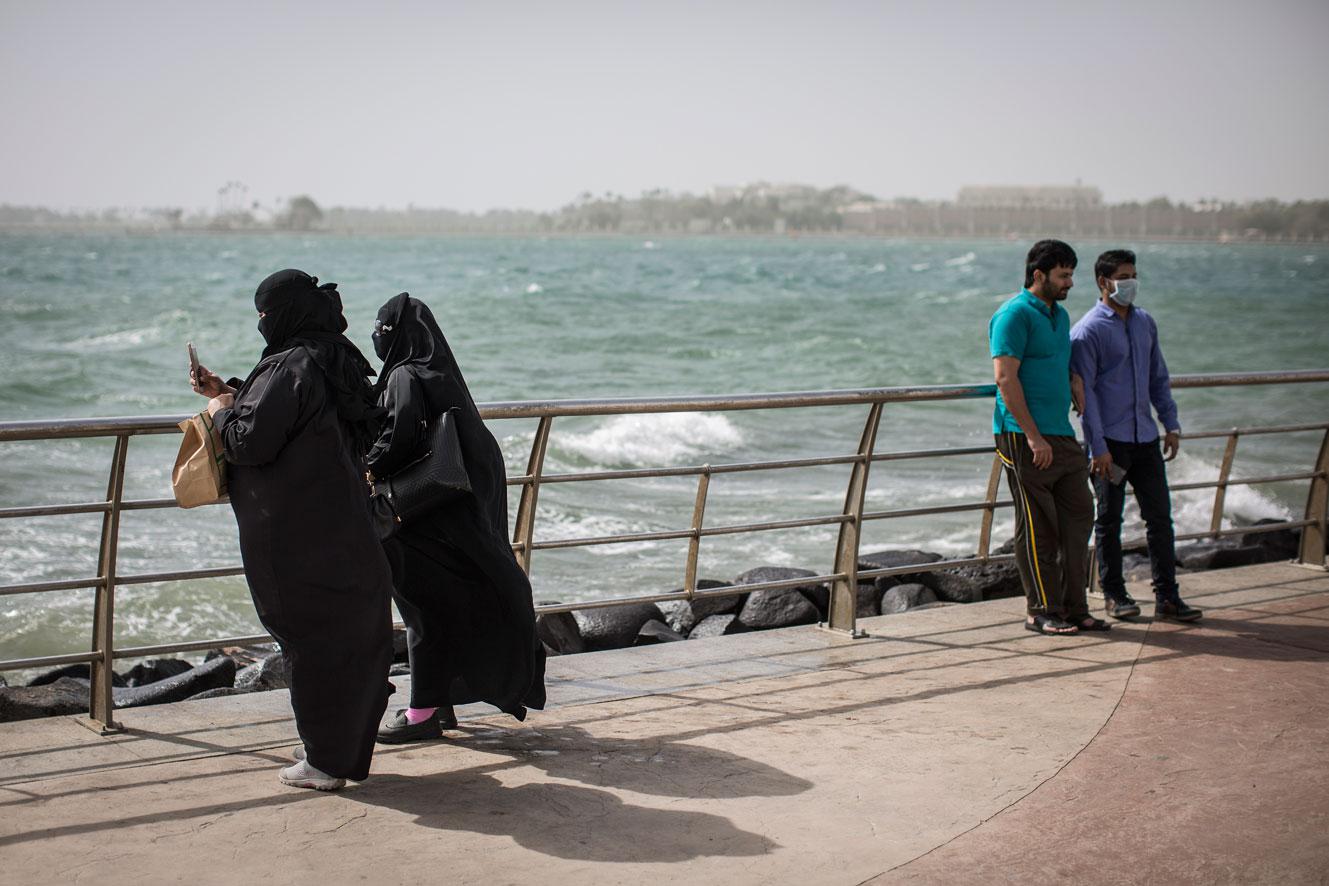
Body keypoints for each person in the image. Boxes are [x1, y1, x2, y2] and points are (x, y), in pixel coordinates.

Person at [192, 269, 394, 791]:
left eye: (263, 315)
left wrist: (218, 411)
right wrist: (233, 390)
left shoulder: (289, 365)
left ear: (282, 315)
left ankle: (325, 762)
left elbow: (248, 442)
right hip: (347, 524)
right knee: (352, 637)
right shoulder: (338, 357)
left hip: (298, 535)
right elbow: (303, 415)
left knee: (308, 640)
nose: (261, 324)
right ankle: (338, 750)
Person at [366, 292, 546, 743]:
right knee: (446, 606)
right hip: (459, 527)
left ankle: (423, 714)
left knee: (423, 611)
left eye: (379, 330)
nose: (374, 338)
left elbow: (398, 437)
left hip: (419, 521)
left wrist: (366, 465)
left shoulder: (405, 375)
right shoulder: (445, 379)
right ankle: (438, 705)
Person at [1071, 249, 1202, 622]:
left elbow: (1157, 377)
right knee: (1109, 520)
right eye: (1124, 276)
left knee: (1160, 518)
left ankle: (1168, 597)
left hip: (1145, 439)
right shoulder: (1087, 332)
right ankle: (1114, 594)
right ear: (1103, 282)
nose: (1131, 282)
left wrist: (1170, 424)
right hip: (1108, 444)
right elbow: (1086, 398)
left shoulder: (1145, 323)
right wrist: (1097, 447)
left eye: (1133, 275)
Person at [990, 240, 1105, 636]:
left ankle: (1075, 608)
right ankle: (1040, 611)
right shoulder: (1013, 315)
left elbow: (1058, 361)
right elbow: (1005, 379)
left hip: (1060, 432)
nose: (1070, 282)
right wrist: (1033, 437)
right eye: (1063, 275)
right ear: (1038, 275)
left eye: (1071, 274)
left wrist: (1074, 378)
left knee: (1079, 515)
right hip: (1024, 437)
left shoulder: (1060, 315)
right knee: (1038, 526)